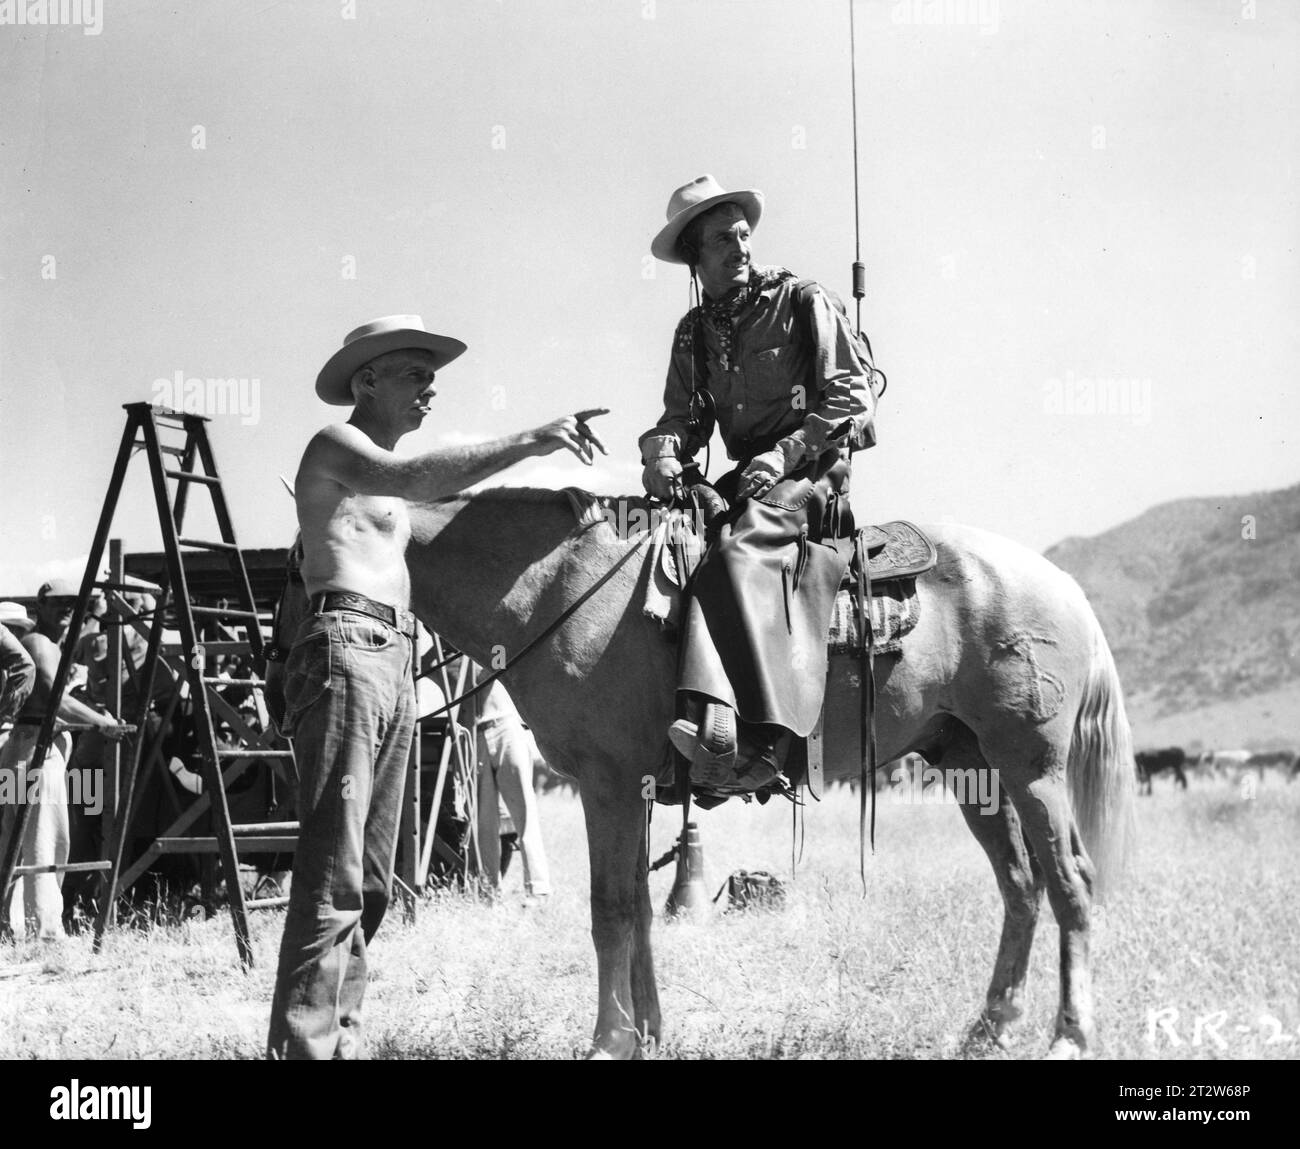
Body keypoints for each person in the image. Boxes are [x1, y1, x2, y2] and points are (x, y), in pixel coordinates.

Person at [267, 314, 607, 1060]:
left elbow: (462, 512)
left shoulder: (393, 489)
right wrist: (534, 437)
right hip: (344, 648)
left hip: (389, 657)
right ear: (367, 381)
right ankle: (303, 1049)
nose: (430, 390)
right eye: (415, 374)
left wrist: (563, 507)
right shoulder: (339, 448)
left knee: (378, 878)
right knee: (337, 869)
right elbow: (422, 477)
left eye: (433, 377)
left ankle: (339, 1038)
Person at [639, 176, 878, 794]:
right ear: (695, 257)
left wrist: (785, 451)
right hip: (747, 480)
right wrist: (661, 454)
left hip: (814, 471)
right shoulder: (693, 335)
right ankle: (690, 725)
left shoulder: (801, 300)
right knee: (676, 547)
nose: (740, 247)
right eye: (723, 240)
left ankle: (752, 740)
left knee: (737, 549)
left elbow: (852, 394)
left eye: (744, 234)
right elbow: (683, 421)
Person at [1, 583, 128, 940]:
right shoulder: (39, 644)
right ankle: (44, 933)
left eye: (74, 604)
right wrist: (104, 722)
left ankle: (12, 930)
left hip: (27, 750)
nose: (68, 609)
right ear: (41, 605)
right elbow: (56, 700)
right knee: (44, 842)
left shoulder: (50, 646)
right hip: (35, 753)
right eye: (60, 603)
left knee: (16, 842)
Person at [469, 666, 551, 906]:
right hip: (473, 734)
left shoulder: (478, 641)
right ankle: (488, 893)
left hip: (504, 724)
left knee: (524, 811)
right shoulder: (448, 657)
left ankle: (538, 889)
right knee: (484, 821)